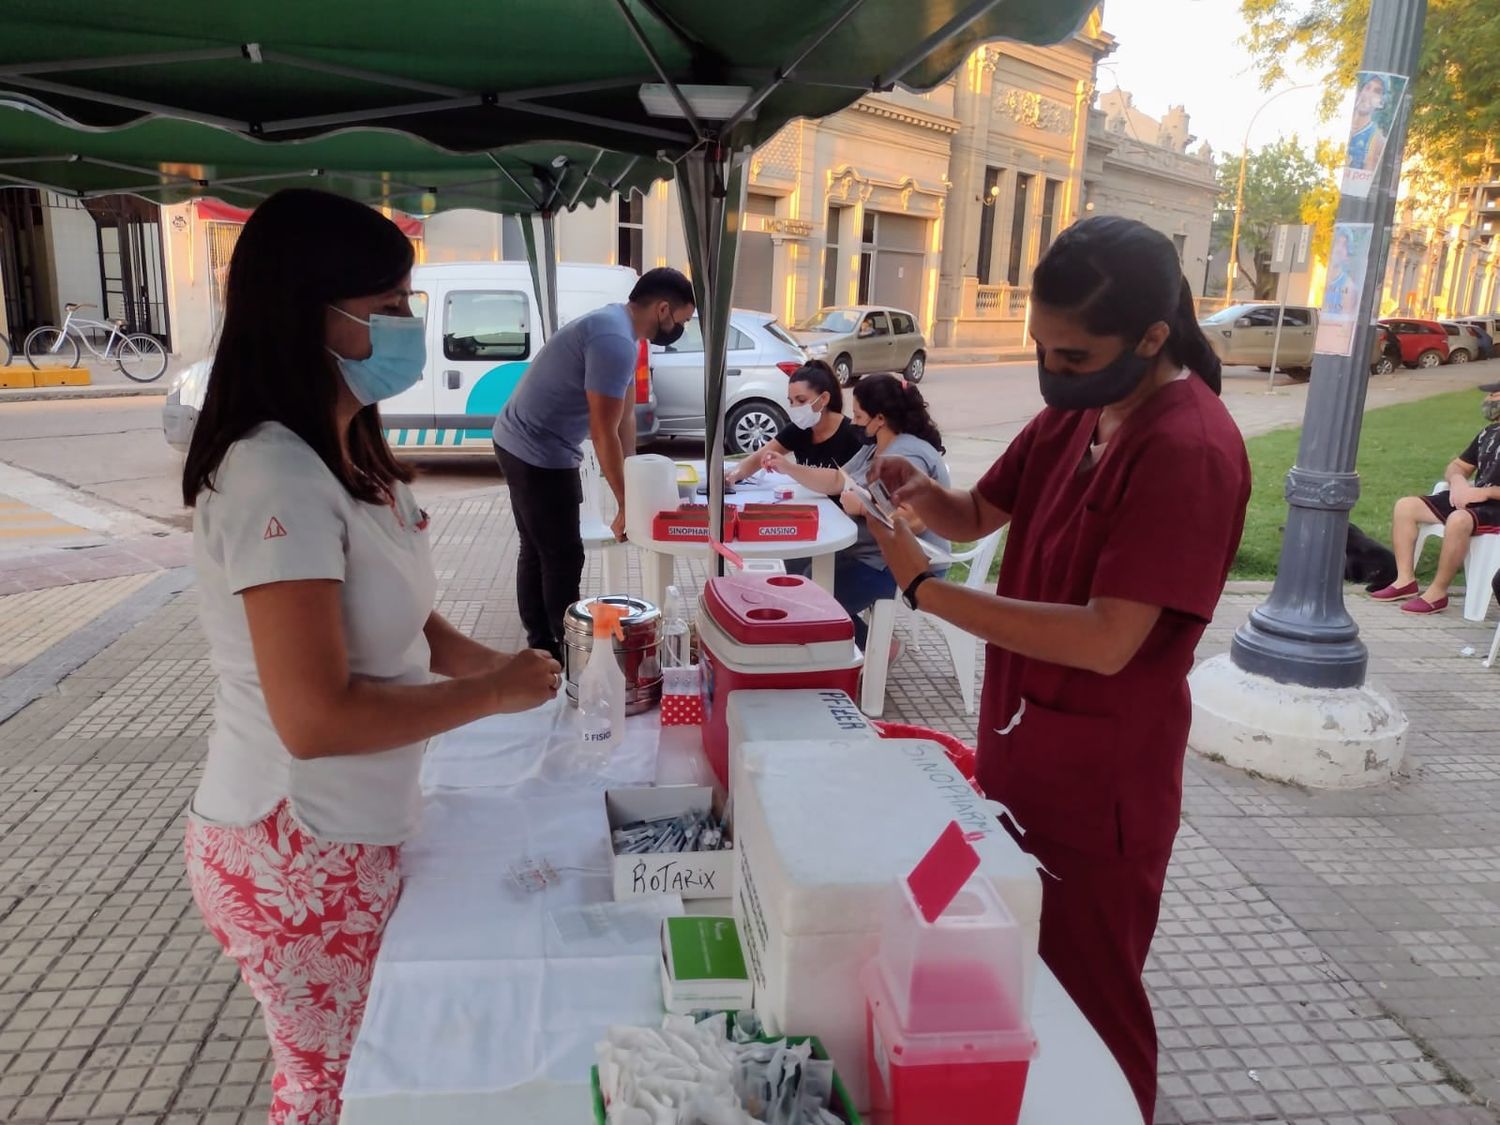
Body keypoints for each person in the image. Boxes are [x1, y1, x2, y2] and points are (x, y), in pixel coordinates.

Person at [180, 188, 563, 1125]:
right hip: (294, 842)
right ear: (310, 312)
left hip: (352, 828)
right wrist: (488, 698)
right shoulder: (275, 472)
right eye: (387, 308)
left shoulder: (346, 449)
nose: (407, 326)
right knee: (339, 1089)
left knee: (367, 1067)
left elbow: (411, 627)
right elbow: (314, 718)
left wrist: (513, 673)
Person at [867, 215, 1250, 1121]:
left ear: (1153, 337)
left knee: (1093, 1002)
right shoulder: (1073, 412)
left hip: (1101, 789)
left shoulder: (1187, 449)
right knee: (1021, 977)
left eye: (1072, 356)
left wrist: (930, 593)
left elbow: (1110, 636)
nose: (1053, 372)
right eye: (1040, 350)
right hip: (1021, 752)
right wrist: (922, 499)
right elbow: (980, 510)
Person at [493, 267, 695, 658]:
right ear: (664, 309)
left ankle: (542, 645)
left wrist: (632, 484)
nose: (679, 329)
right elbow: (602, 432)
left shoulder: (621, 329)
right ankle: (563, 652)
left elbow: (625, 417)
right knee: (562, 555)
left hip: (523, 440)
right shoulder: (612, 339)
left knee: (539, 548)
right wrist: (625, 503)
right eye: (682, 321)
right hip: (535, 451)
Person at [763, 373, 950, 648]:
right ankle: (834, 646)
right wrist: (788, 467)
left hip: (903, 564)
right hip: (873, 553)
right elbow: (839, 481)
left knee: (810, 596)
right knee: (797, 566)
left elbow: (914, 519)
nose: (856, 423)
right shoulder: (875, 446)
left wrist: (863, 507)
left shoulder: (907, 455)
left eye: (859, 416)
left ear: (880, 419)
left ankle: (877, 648)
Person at [1370, 380, 1500, 613]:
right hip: (1471, 500)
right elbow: (1457, 466)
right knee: (1406, 507)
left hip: (1494, 507)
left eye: (1494, 394)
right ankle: (1405, 581)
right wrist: (1459, 482)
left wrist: (1485, 492)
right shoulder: (1489, 433)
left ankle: (1438, 592)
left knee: (1459, 520)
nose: (1489, 400)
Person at [726, 359, 864, 482]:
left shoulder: (852, 435)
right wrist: (733, 475)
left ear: (824, 399)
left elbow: (844, 482)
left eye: (801, 400)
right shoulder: (798, 430)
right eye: (791, 401)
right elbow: (758, 458)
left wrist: (789, 468)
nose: (795, 407)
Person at [1347, 74, 1389, 173]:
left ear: (1381, 102)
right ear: (1360, 92)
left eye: (1376, 91)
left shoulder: (1376, 138)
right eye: (1367, 87)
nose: (1369, 95)